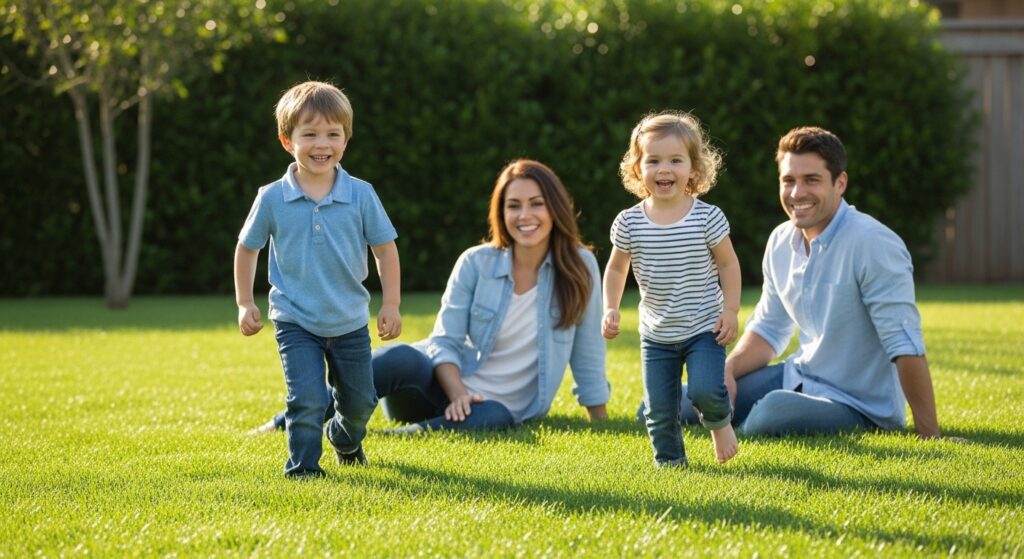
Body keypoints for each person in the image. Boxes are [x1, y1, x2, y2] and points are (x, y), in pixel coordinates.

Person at [254, 159, 609, 434]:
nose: (525, 215)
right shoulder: (476, 262)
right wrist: (457, 394)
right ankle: (288, 421)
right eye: (513, 205)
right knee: (401, 356)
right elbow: (444, 340)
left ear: (556, 208)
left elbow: (588, 350)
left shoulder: (580, 266)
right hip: (438, 388)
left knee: (495, 415)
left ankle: (396, 437)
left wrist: (600, 418)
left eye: (537, 203)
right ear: (501, 213)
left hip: (498, 408)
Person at [666, 126, 940, 438]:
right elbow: (769, 330)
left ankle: (741, 424)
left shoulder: (873, 244)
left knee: (771, 413)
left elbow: (904, 344)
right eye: (788, 181)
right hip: (799, 376)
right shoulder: (781, 240)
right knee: (673, 402)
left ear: (840, 183)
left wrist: (929, 434)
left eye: (811, 180)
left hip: (859, 403)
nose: (797, 193)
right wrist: (726, 372)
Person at [235, 81, 402, 478]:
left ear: (346, 139)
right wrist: (245, 301)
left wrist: (391, 303)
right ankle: (303, 468)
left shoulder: (361, 195)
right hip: (295, 321)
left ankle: (344, 438)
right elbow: (247, 248)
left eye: (333, 133)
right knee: (307, 398)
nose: (321, 143)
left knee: (361, 403)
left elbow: (385, 250)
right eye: (309, 134)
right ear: (286, 140)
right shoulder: (272, 197)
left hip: (349, 320)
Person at [603, 112, 742, 468]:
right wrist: (610, 307)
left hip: (703, 327)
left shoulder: (706, 217)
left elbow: (728, 264)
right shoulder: (629, 222)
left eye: (675, 160)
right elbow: (617, 268)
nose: (664, 169)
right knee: (660, 408)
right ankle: (670, 463)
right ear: (638, 169)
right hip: (656, 334)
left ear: (694, 169)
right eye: (654, 160)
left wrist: (730, 311)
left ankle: (719, 422)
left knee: (705, 390)